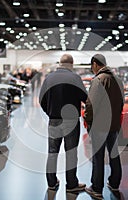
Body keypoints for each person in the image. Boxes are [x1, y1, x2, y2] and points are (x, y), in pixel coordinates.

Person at [39, 54, 87, 193]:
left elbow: (42, 99)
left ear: (60, 63)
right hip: (71, 121)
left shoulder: (49, 78)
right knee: (71, 153)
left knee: (52, 152)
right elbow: (85, 98)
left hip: (54, 120)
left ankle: (51, 183)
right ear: (71, 64)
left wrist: (51, 113)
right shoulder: (75, 78)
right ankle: (71, 184)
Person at [84, 54, 124, 199]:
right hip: (114, 125)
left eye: (92, 67)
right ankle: (114, 183)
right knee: (114, 154)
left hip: (99, 126)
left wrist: (87, 120)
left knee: (98, 157)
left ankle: (96, 188)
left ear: (95, 64)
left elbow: (90, 105)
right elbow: (122, 103)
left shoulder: (98, 80)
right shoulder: (118, 80)